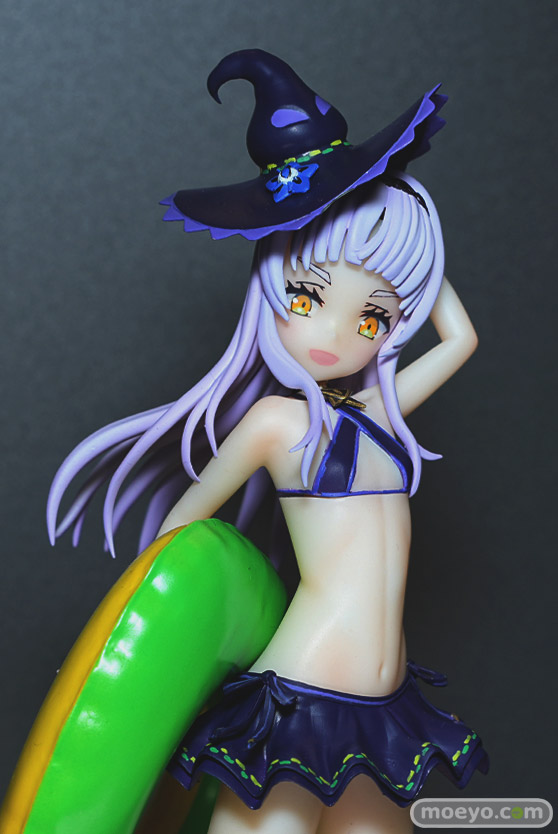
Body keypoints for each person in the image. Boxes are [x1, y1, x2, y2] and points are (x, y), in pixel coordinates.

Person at [48, 50, 488, 834]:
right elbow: (184, 529)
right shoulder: (277, 424)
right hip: (305, 694)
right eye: (308, 297)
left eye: (372, 315)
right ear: (272, 285)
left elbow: (460, 339)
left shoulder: (380, 411)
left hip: (383, 702)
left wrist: (406, 236)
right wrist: (140, 660)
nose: (335, 334)